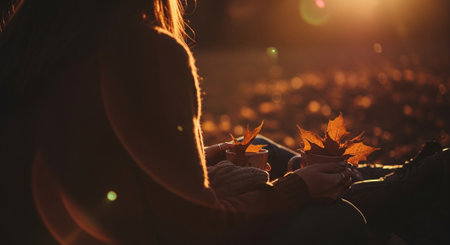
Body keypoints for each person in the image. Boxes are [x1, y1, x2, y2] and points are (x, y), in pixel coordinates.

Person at [0, 1, 448, 244]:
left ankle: (384, 181)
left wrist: (201, 161)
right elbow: (197, 227)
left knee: (264, 149)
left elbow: (104, 172)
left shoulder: (20, 50)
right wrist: (296, 190)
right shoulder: (145, 51)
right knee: (338, 224)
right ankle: (405, 185)